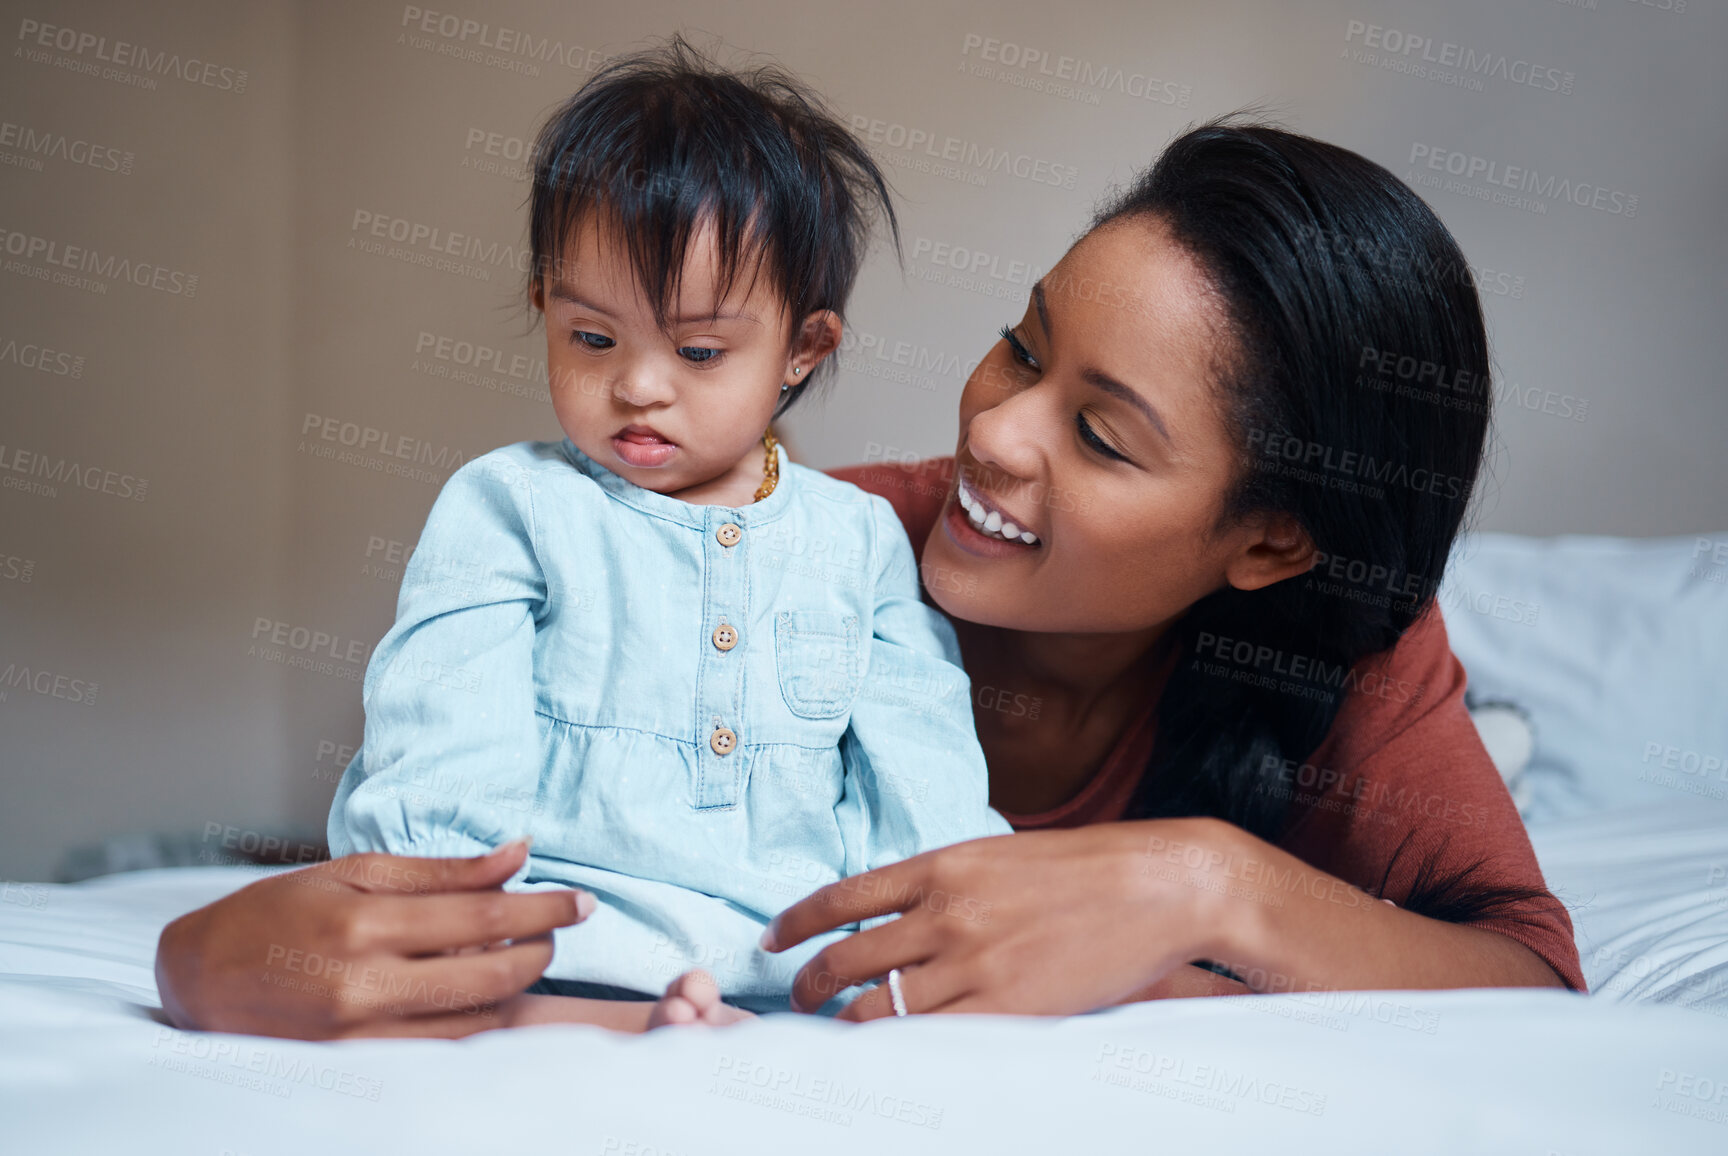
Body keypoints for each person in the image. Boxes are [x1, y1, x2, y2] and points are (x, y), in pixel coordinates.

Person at [154, 117, 1584, 1041]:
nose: (993, 431)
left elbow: (1527, 974)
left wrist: (1204, 883)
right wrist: (211, 962)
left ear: (1268, 545)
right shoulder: (824, 540)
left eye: (1099, 435)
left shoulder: (1346, 654)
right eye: (1021, 346)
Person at [322, 41, 1008, 1031]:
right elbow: (441, 740)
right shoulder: (511, 505)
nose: (639, 385)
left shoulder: (857, 540)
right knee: (451, 994)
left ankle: (690, 1017)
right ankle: (599, 1018)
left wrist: (938, 935)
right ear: (544, 309)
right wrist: (441, 915)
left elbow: (921, 770)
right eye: (591, 337)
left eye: (698, 349)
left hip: (790, 953)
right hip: (553, 934)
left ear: (801, 349)